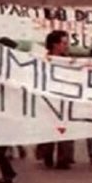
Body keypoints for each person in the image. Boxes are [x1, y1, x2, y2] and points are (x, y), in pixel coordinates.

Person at [36, 30, 76, 170]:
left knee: (65, 127)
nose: (66, 46)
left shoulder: (69, 61)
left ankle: (64, 158)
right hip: (48, 99)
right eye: (64, 43)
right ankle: (47, 154)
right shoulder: (42, 60)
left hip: (64, 98)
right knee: (48, 127)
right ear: (54, 44)